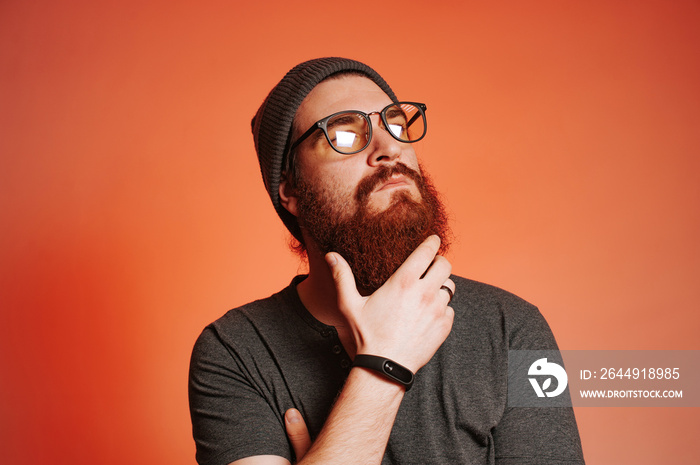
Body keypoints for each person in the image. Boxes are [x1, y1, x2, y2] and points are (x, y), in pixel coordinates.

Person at [188, 57, 585, 465]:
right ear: (288, 187)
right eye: (344, 133)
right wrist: (384, 364)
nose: (389, 148)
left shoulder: (510, 329)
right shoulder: (234, 351)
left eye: (395, 124)